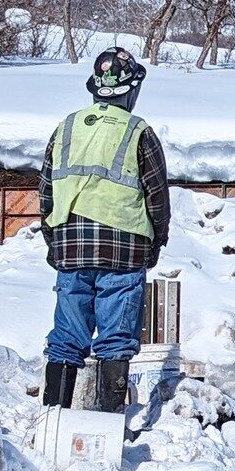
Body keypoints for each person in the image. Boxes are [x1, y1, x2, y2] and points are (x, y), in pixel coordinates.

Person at [38, 46, 170, 414]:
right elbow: (156, 194)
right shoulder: (138, 132)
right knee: (116, 338)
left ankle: (55, 417)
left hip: (71, 246)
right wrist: (157, 239)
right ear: (131, 90)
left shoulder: (65, 128)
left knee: (66, 336)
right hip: (124, 250)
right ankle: (110, 421)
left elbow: (46, 190)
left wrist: (53, 239)